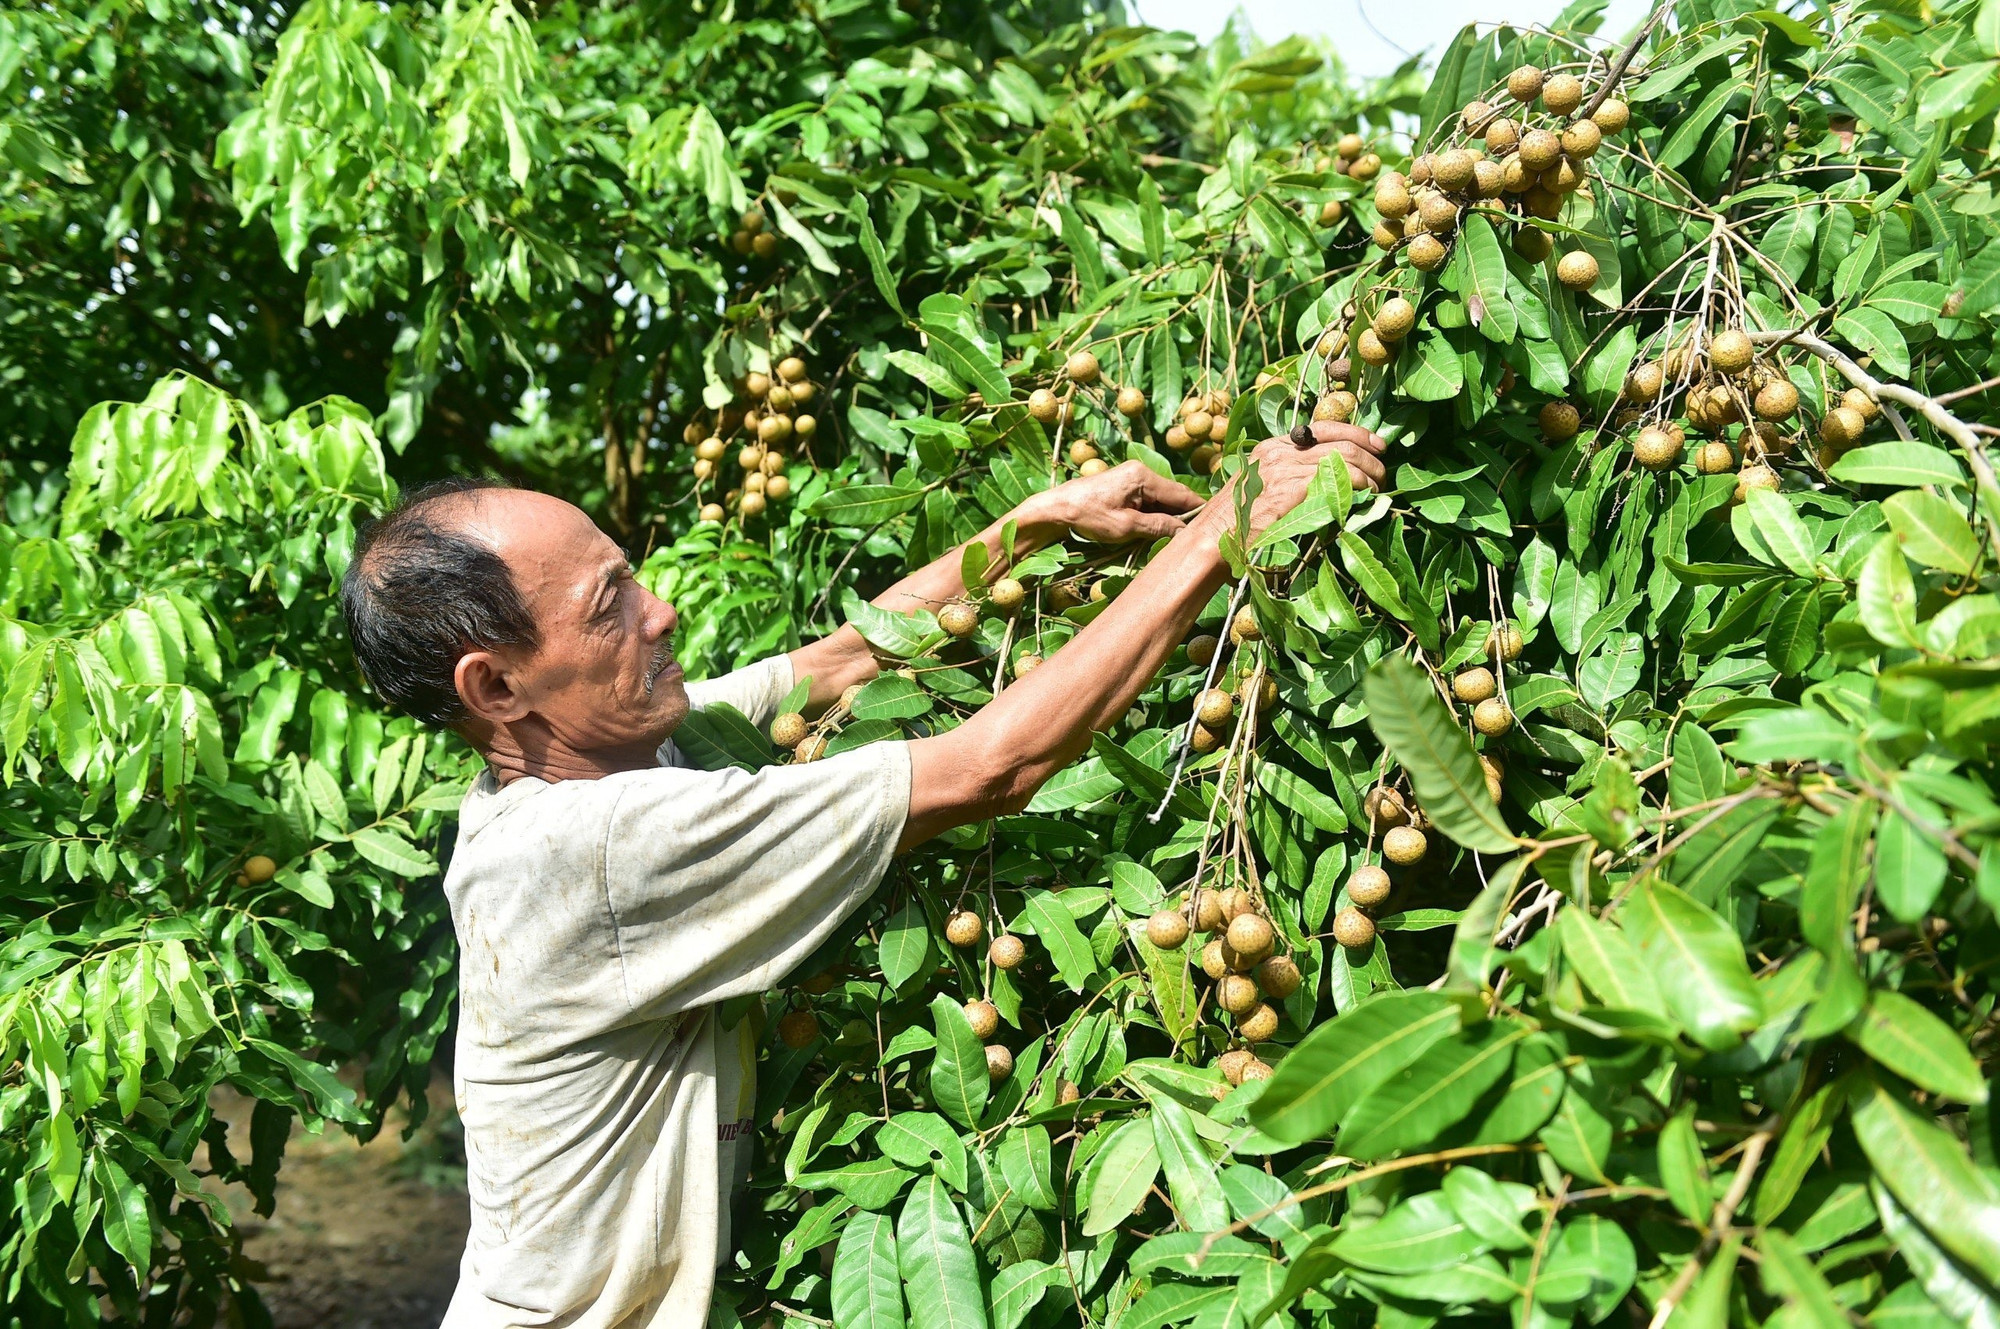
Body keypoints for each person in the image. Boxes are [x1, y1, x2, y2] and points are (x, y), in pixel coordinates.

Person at [337, 422, 1387, 1328]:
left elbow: (841, 663)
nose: (659, 614)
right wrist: (1218, 532)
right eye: (607, 605)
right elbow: (991, 767)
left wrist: (1035, 524)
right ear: (497, 684)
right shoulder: (595, 846)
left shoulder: (623, 749)